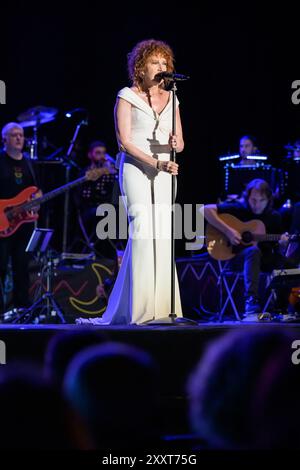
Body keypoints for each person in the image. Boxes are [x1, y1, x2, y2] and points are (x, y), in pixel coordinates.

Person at [77, 38, 184, 325]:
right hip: (137, 169)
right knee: (143, 228)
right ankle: (140, 310)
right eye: (154, 62)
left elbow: (181, 143)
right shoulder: (126, 95)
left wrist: (175, 143)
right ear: (140, 66)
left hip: (165, 170)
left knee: (161, 233)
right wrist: (155, 162)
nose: (161, 67)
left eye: (164, 63)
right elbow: (124, 142)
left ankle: (162, 308)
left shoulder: (172, 96)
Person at [204, 178, 296, 319]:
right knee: (252, 251)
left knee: (289, 264)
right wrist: (228, 231)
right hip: (236, 258)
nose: (257, 205)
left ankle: (281, 309)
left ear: (268, 199)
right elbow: (204, 209)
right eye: (253, 200)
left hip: (263, 260)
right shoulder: (238, 209)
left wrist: (283, 243)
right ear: (248, 197)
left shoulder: (274, 217)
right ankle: (251, 303)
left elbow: (277, 246)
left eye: (261, 200)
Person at [0, 122, 41, 313]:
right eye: (14, 135)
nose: (19, 138)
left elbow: (36, 190)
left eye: (21, 135)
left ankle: (22, 309)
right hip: (3, 222)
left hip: (23, 224)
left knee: (22, 267)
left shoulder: (29, 164)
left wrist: (38, 199)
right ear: (4, 139)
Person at [75, 140, 118, 259]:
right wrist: (105, 170)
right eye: (98, 153)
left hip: (108, 207)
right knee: (107, 213)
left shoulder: (110, 171)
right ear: (90, 155)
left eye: (104, 153)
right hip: (89, 208)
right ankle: (103, 253)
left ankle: (115, 253)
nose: (102, 156)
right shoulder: (85, 172)